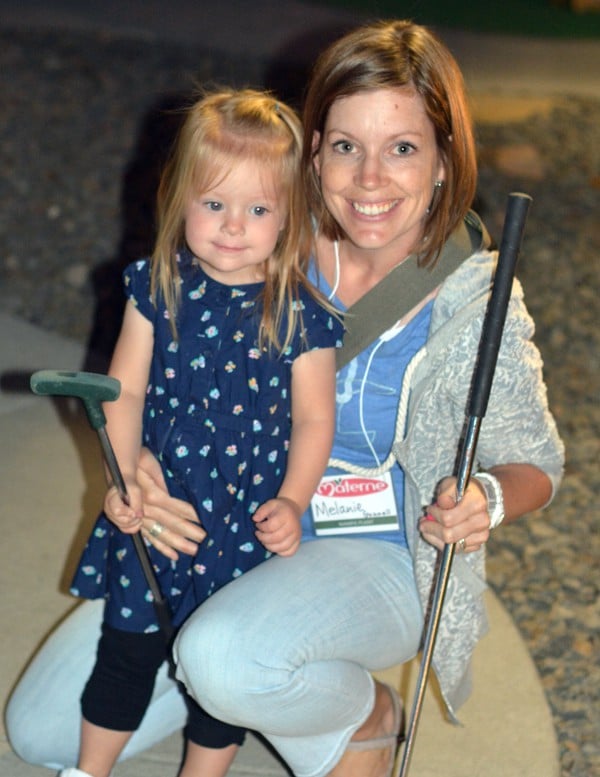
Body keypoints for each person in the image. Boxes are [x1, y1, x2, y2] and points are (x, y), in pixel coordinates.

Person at [6, 20, 563, 777]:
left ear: (443, 161)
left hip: (375, 551)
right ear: (314, 151)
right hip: (224, 521)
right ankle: (251, 667)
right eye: (345, 146)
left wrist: (486, 497)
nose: (370, 178)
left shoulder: (476, 302)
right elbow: (146, 370)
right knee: (43, 731)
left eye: (402, 147)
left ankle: (360, 716)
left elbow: (537, 462)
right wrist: (132, 464)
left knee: (220, 658)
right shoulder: (264, 231)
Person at [10, 88, 343, 777]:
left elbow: (315, 418)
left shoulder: (300, 313)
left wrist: (293, 499)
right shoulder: (155, 288)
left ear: (289, 216)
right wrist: (125, 472)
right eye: (213, 203)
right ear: (178, 198)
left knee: (217, 676)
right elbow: (122, 391)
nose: (231, 226)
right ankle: (89, 768)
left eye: (257, 209)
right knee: (125, 646)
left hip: (244, 519)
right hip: (160, 511)